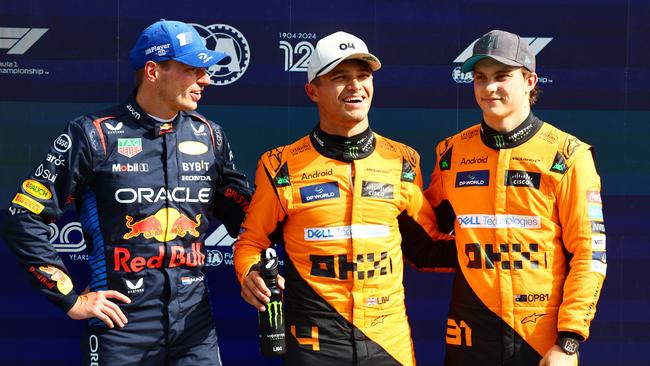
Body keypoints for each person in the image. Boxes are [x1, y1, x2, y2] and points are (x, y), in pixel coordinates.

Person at [2, 19, 251, 365]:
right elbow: (24, 216)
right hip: (121, 327)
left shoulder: (210, 135)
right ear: (153, 71)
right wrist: (70, 298)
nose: (206, 80)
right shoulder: (93, 135)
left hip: (195, 327)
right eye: (193, 69)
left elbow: (248, 218)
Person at [233, 31, 455, 366]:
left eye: (363, 76)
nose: (355, 86)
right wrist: (249, 271)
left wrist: (494, 241)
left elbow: (425, 247)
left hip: (388, 340)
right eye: (340, 77)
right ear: (312, 91)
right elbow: (251, 241)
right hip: (314, 342)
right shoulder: (280, 165)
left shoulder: (402, 160)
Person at [425, 29, 606, 366]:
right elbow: (423, 230)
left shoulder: (567, 155)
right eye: (480, 78)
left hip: (541, 339)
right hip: (470, 333)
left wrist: (569, 341)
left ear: (529, 81)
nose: (489, 87)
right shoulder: (451, 153)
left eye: (502, 76)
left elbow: (589, 254)